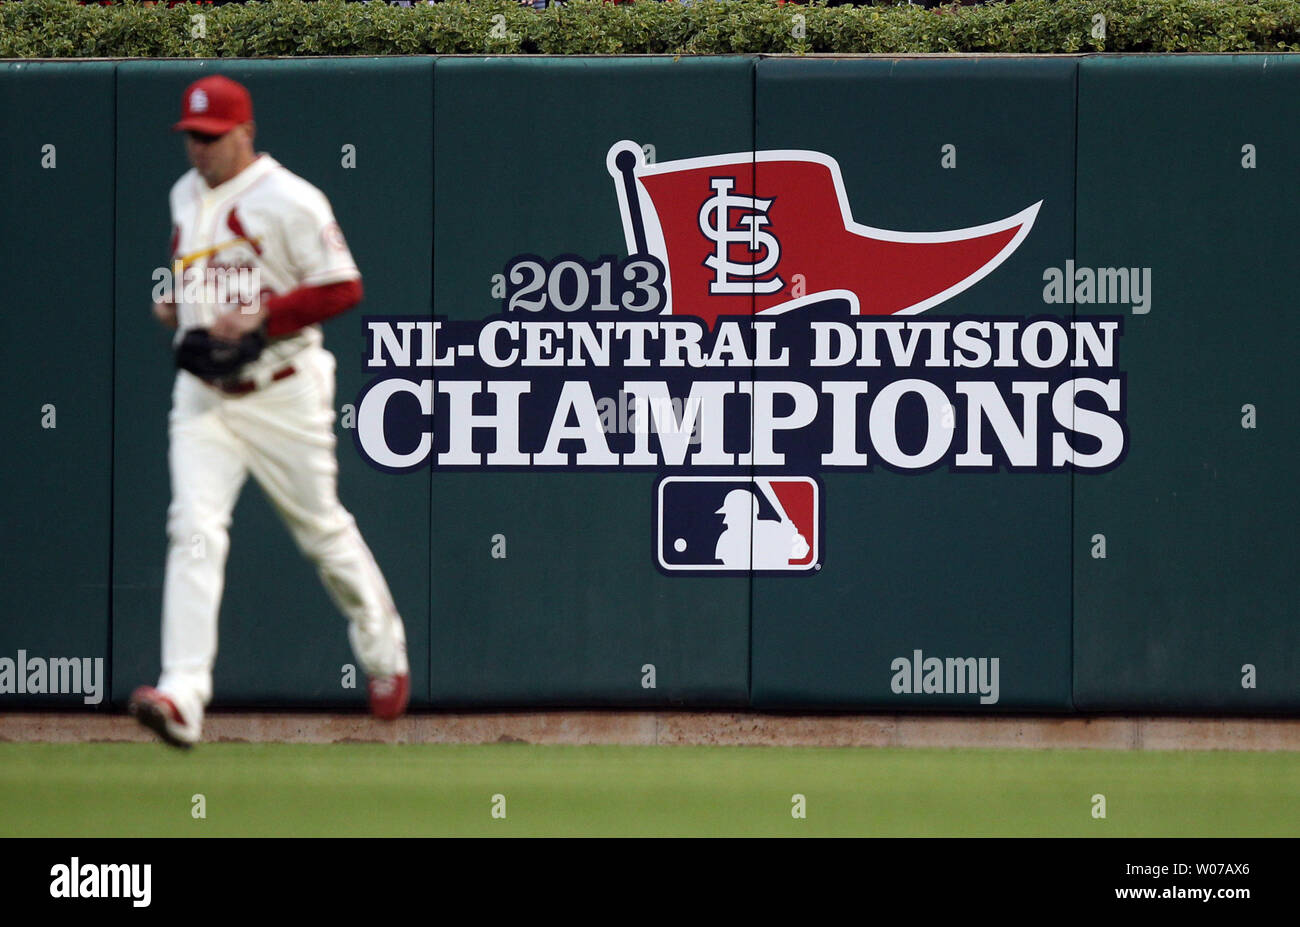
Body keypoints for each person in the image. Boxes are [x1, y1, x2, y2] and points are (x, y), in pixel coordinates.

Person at [129, 75, 410, 748]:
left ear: (243, 133)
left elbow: (344, 287)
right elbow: (191, 271)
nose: (196, 149)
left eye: (209, 137)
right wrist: (175, 304)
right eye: (190, 137)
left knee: (322, 532)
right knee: (192, 529)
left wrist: (265, 318)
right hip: (204, 398)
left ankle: (382, 649)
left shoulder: (289, 198)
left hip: (284, 389)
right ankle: (183, 695)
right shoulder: (184, 193)